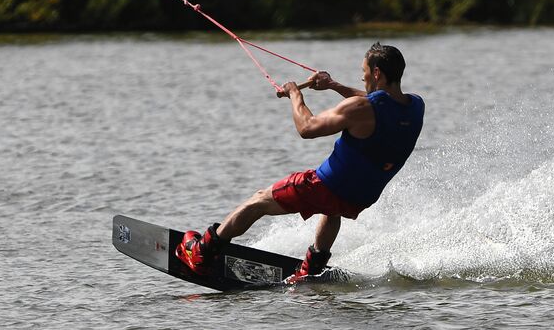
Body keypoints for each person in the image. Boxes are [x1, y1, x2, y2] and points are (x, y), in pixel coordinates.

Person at [176, 42, 425, 283]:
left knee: (259, 201)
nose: (362, 79)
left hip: (324, 186)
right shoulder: (415, 106)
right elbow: (376, 102)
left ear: (377, 73)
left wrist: (295, 94)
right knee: (333, 210)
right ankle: (313, 267)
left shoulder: (362, 108)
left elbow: (307, 128)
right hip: (361, 196)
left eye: (364, 72)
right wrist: (334, 86)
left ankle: (202, 252)